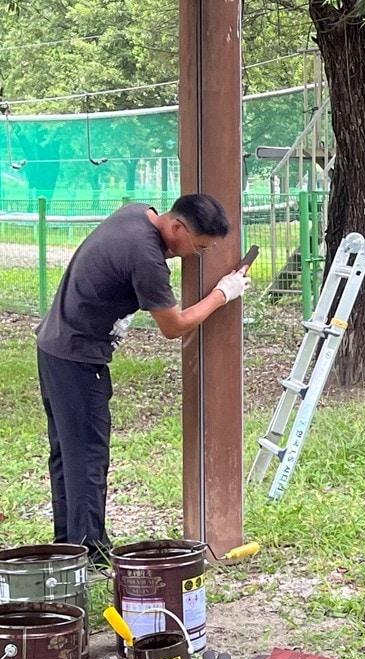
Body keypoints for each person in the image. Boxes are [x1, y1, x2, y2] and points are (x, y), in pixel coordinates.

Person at [34, 194, 251, 563]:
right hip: (79, 357)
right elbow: (174, 326)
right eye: (197, 247)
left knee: (67, 454)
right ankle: (88, 551)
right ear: (178, 227)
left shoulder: (135, 214)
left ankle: (67, 545)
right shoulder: (146, 257)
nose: (194, 256)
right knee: (87, 457)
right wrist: (222, 294)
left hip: (54, 345)